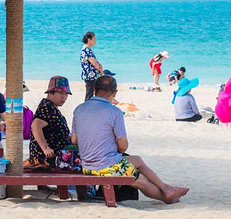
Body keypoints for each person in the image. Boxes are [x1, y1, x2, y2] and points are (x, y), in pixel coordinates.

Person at [72, 75, 189, 204]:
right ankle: (167, 197)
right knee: (141, 180)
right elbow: (123, 147)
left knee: (137, 160)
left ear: (94, 89)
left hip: (87, 166)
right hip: (105, 167)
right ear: (115, 92)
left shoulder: (79, 109)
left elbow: (74, 140)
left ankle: (166, 188)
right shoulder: (114, 112)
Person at [28, 76, 72, 167]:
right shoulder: (47, 107)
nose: (64, 97)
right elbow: (35, 126)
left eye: (66, 94)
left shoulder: (52, 107)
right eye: (60, 93)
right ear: (51, 92)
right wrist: (45, 148)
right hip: (46, 160)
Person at [80, 31, 103, 101]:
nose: (95, 41)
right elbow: (94, 63)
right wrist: (100, 70)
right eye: (94, 39)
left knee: (90, 93)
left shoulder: (86, 49)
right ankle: (87, 106)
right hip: (90, 76)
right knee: (89, 94)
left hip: (90, 75)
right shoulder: (86, 50)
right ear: (89, 40)